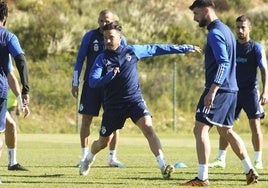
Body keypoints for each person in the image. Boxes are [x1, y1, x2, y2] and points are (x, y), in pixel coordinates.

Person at [79, 21, 201, 178]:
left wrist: (184, 48)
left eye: (110, 37)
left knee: (148, 128)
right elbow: (93, 81)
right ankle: (88, 159)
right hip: (113, 106)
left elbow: (156, 49)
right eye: (105, 38)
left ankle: (163, 166)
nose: (107, 41)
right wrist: (108, 76)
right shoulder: (102, 59)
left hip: (134, 100)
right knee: (103, 142)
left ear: (120, 37)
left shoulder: (132, 51)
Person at [180, 0, 258, 186]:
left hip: (219, 90)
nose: (194, 18)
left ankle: (202, 177)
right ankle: (249, 170)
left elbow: (223, 63)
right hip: (232, 90)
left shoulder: (215, 33)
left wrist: (212, 90)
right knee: (226, 131)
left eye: (196, 13)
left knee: (200, 129)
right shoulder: (225, 30)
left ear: (206, 10)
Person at [209, 15, 267, 170]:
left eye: (243, 27)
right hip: (232, 92)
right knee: (224, 125)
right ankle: (221, 159)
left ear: (249, 28)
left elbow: (264, 70)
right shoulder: (232, 46)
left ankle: (257, 159)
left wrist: (265, 91)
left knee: (255, 126)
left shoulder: (256, 48)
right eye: (237, 27)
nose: (240, 30)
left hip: (250, 93)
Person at [72, 9, 127, 168]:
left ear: (113, 20)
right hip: (92, 86)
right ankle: (84, 156)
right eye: (101, 20)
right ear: (98, 21)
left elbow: (126, 63)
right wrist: (75, 82)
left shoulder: (119, 39)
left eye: (107, 20)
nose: (104, 23)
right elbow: (79, 60)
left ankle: (112, 158)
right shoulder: (90, 36)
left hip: (111, 87)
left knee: (115, 121)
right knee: (86, 120)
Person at [0, 1, 30, 180]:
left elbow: (10, 74)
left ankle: (12, 163)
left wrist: (20, 98)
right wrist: (27, 89)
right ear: (5, 17)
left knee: (10, 125)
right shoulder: (7, 37)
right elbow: (21, 60)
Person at [6, 62, 30, 171]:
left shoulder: (5, 62)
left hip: (6, 106)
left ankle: (12, 163)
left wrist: (22, 104)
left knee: (11, 126)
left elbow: (12, 79)